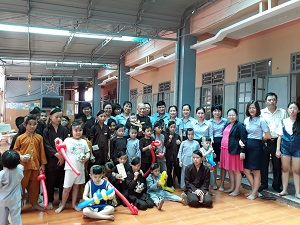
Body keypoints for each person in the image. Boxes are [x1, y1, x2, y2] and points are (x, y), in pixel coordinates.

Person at [55, 121, 90, 213]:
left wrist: (86, 158)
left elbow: (88, 153)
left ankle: (74, 204)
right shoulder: (67, 140)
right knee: (66, 188)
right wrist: (57, 142)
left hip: (80, 168)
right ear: (71, 131)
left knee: (76, 187)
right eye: (76, 130)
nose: (78, 132)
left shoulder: (84, 142)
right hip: (69, 169)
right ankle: (62, 204)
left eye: (80, 130)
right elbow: (60, 150)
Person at [14, 114, 47, 210]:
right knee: (21, 187)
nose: (32, 126)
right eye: (30, 124)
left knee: (35, 187)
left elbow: (42, 151)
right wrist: (21, 156)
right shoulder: (20, 138)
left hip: (36, 166)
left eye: (34, 124)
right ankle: (18, 206)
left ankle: (34, 203)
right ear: (25, 125)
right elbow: (15, 150)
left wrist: (43, 164)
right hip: (23, 167)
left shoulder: (39, 138)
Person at [259, 92, 287, 193]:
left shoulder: (283, 112)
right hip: (265, 141)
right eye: (269, 100)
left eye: (274, 100)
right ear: (266, 101)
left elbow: (285, 127)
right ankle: (264, 183)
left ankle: (276, 184)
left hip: (277, 141)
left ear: (277, 101)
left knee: (277, 165)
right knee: (263, 164)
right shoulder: (261, 112)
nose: (272, 102)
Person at [244, 100, 271, 200]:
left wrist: (259, 139)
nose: (251, 109)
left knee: (256, 171)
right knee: (246, 170)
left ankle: (254, 192)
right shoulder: (246, 120)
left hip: (257, 147)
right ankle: (254, 190)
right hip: (247, 146)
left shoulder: (261, 120)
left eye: (253, 107)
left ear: (257, 109)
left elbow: (268, 136)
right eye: (250, 108)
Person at [43, 107, 69, 209]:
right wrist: (56, 154)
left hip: (63, 158)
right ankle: (49, 200)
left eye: (60, 117)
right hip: (51, 159)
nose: (58, 119)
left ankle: (62, 201)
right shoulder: (46, 130)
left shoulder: (64, 129)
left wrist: (62, 156)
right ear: (51, 117)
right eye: (56, 117)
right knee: (50, 181)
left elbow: (66, 143)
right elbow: (46, 145)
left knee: (62, 180)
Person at [219, 108, 247, 196]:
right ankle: (232, 187)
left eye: (233, 115)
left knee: (236, 171)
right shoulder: (227, 124)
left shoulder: (240, 125)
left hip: (235, 151)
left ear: (237, 116)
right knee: (230, 170)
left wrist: (242, 151)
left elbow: (244, 140)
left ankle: (237, 189)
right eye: (229, 115)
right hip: (225, 150)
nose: (231, 117)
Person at [276, 102, 300, 198]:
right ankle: (284, 189)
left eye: (294, 108)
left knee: (297, 170)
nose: (292, 110)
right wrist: (278, 150)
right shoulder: (283, 121)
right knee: (285, 169)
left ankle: (297, 192)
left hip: (298, 148)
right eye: (290, 108)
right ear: (287, 109)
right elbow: (279, 137)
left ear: (298, 110)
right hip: (285, 147)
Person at [0, 150, 24, 225]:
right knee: (16, 218)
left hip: (3, 199)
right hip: (15, 199)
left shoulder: (1, 174)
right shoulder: (20, 168)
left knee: (2, 217)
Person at [210, 104, 227, 189]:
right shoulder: (209, 122)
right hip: (213, 144)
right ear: (212, 112)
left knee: (223, 164)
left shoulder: (225, 121)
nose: (217, 113)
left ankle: (222, 184)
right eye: (215, 111)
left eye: (219, 111)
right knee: (214, 164)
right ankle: (214, 183)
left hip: (223, 144)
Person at [164, 120, 181, 188]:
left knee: (178, 170)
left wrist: (179, 143)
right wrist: (169, 140)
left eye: (174, 127)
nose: (173, 128)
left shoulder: (177, 136)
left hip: (176, 156)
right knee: (169, 171)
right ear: (168, 127)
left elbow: (180, 147)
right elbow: (166, 145)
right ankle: (170, 184)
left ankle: (181, 183)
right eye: (171, 127)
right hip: (168, 156)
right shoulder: (166, 135)